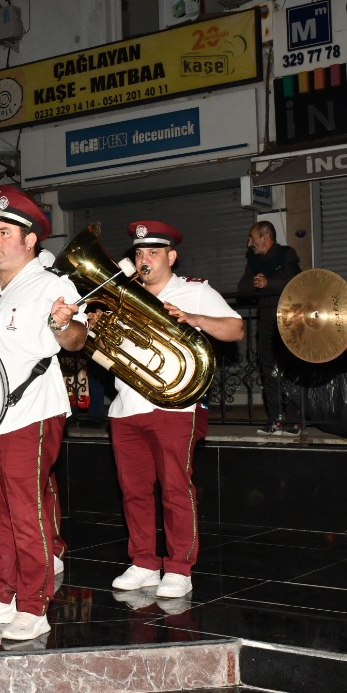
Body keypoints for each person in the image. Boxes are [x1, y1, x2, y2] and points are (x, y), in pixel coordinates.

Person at [0, 186, 86, 641]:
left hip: (30, 414)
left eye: (4, 232)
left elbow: (76, 340)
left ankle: (33, 606)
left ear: (30, 240)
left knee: (26, 513)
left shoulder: (52, 285)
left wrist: (64, 323)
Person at [106, 222, 244, 600]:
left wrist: (194, 319)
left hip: (175, 405)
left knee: (175, 489)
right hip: (126, 405)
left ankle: (180, 568)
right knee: (133, 491)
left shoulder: (194, 291)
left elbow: (235, 329)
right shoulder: (124, 292)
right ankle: (144, 563)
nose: (144, 260)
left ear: (171, 256)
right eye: (139, 253)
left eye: (153, 253)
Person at [236, 220, 303, 435]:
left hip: (289, 322)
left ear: (265, 237)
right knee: (269, 371)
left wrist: (269, 283)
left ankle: (294, 421)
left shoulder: (286, 254)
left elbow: (296, 280)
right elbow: (241, 288)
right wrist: (255, 282)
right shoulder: (254, 260)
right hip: (266, 325)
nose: (249, 243)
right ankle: (275, 420)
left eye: (252, 238)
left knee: (291, 370)